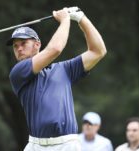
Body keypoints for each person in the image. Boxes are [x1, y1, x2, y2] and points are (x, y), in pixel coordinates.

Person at [7, 6, 107, 151]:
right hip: (36, 145)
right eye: (15, 46)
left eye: (23, 43)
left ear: (37, 44)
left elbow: (98, 51)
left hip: (67, 145)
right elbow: (55, 49)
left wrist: (81, 19)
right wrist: (65, 19)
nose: (19, 49)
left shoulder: (64, 69)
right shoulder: (18, 72)